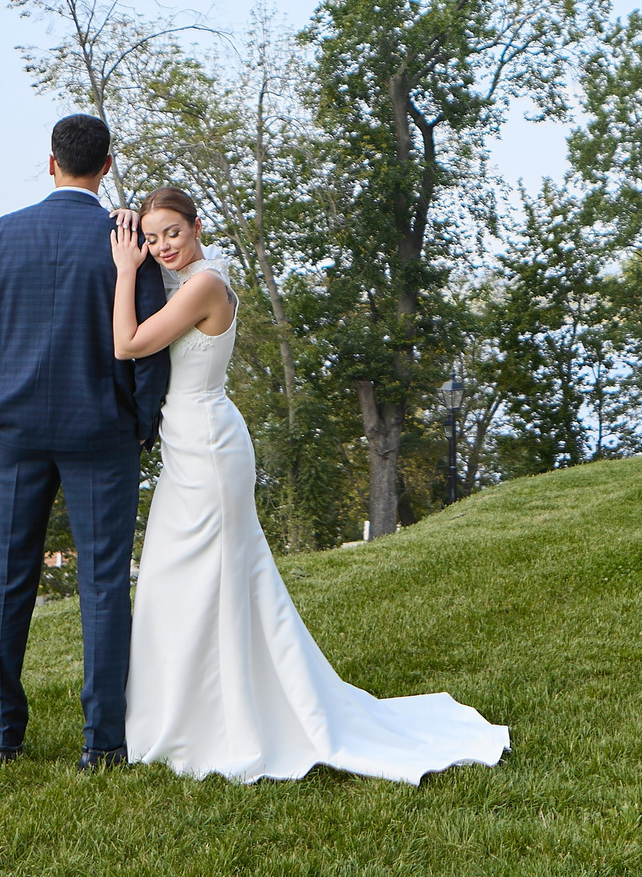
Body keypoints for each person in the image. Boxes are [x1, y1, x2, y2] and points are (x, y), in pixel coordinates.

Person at [114, 185, 511, 783]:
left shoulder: (205, 284)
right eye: (150, 237)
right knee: (178, 581)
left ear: (198, 227)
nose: (161, 245)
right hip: (184, 446)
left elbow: (129, 343)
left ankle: (224, 721)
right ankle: (189, 710)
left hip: (210, 449)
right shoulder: (173, 279)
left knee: (207, 579)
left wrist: (124, 270)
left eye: (172, 231)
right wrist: (136, 261)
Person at [0, 114, 169, 769]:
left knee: (6, 581)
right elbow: (150, 350)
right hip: (102, 432)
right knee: (103, 583)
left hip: (16, 433)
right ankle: (101, 740)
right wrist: (140, 422)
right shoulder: (124, 240)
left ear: (51, 162)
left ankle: (2, 736)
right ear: (106, 166)